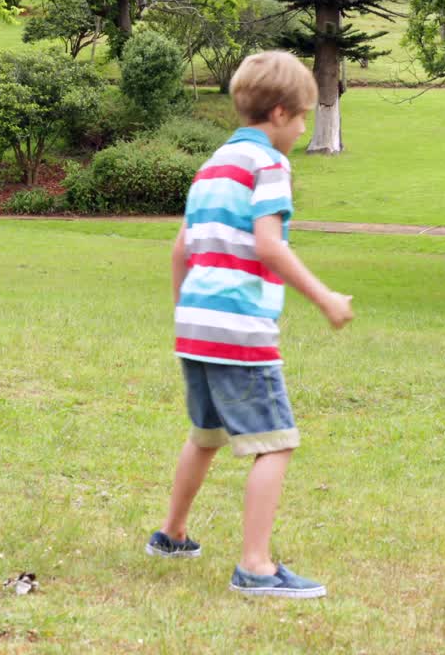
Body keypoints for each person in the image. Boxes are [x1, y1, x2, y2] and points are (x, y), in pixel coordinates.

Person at [145, 51, 354, 597]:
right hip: (238, 327)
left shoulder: (213, 165)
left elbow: (180, 249)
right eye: (302, 117)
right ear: (280, 113)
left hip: (196, 326)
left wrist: (187, 315)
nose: (303, 129)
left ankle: (172, 534)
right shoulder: (269, 165)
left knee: (206, 435)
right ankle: (256, 566)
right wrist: (326, 298)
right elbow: (269, 246)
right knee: (275, 443)